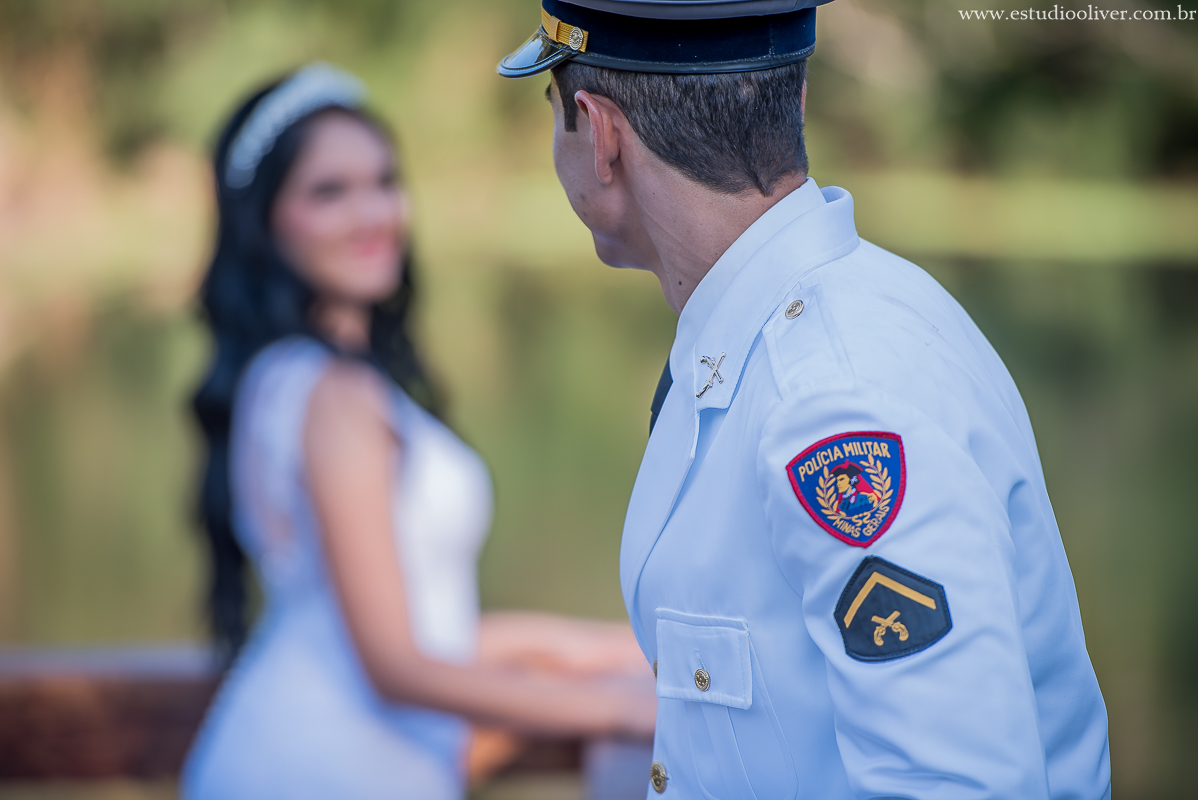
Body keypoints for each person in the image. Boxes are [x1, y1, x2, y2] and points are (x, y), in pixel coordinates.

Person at [497, 2, 1111, 797]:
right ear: (796, 102)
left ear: (602, 133)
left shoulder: (831, 397)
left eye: (553, 108)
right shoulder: (778, 335)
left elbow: (955, 782)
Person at [183, 63, 655, 800]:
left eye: (383, 181)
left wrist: (599, 651)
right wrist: (628, 709)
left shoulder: (286, 377)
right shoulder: (332, 396)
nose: (373, 213)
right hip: (323, 772)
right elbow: (396, 665)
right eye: (329, 192)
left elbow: (424, 628)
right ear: (265, 220)